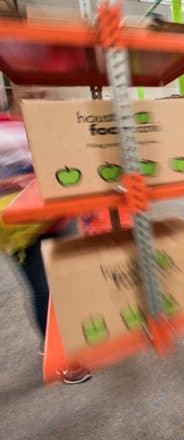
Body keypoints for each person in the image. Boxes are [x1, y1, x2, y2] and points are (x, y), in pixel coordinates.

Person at [0, 113, 92, 384]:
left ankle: (70, 340)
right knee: (44, 289)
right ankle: (61, 357)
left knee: (66, 284)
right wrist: (15, 182)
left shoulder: (24, 124)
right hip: (22, 229)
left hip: (57, 217)